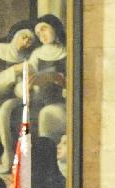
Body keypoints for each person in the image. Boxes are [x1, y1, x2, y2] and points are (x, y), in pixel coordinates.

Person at [0, 23, 36, 172]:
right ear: (15, 36)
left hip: (18, 98)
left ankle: (8, 159)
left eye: (30, 40)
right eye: (24, 37)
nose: (26, 42)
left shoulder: (30, 58)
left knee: (5, 109)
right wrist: (13, 71)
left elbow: (25, 88)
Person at [26, 14, 67, 142]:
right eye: (38, 33)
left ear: (54, 28)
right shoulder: (37, 54)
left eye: (44, 29)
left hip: (62, 100)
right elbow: (28, 76)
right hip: (39, 99)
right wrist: (30, 84)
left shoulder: (67, 51)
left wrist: (56, 78)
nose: (41, 35)